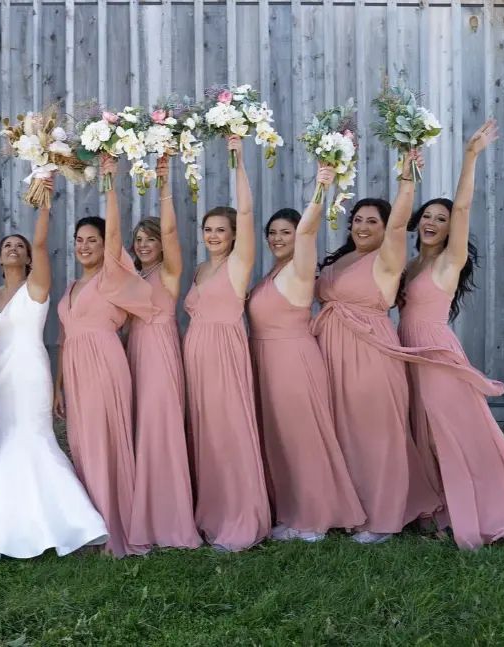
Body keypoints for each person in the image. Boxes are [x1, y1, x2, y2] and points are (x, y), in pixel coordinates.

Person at [0, 176, 108, 559]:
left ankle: (74, 526)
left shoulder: (38, 287)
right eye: (7, 247)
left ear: (29, 257)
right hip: (0, 380)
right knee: (1, 443)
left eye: (20, 246)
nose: (14, 249)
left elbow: (41, 242)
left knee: (35, 441)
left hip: (32, 375)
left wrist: (44, 202)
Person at [398, 119, 504, 549]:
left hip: (436, 354)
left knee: (452, 431)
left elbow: (463, 208)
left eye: (441, 218)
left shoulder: (448, 261)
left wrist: (469, 156)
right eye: (428, 217)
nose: (434, 222)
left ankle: (484, 508)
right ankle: (441, 506)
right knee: (425, 433)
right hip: (409, 353)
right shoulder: (411, 265)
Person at [312, 148, 439, 544]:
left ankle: (384, 518)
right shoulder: (340, 260)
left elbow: (402, 221)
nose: (362, 226)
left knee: (376, 433)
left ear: (386, 228)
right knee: (344, 433)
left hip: (370, 353)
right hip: (331, 352)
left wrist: (407, 178)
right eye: (357, 220)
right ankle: (352, 507)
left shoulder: (387, 259)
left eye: (372, 221)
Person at [246, 164, 365, 542]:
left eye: (286, 232)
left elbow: (310, 229)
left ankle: (314, 518)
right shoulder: (272, 272)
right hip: (268, 361)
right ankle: (295, 510)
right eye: (273, 233)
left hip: (293, 360)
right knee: (282, 440)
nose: (278, 238)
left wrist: (320, 188)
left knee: (303, 438)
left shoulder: (300, 268)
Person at [53, 155, 155, 557]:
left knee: (105, 442)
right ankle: (90, 525)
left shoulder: (112, 275)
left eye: (91, 240)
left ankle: (118, 527)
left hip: (105, 362)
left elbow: (115, 235)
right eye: (79, 241)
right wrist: (59, 387)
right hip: (75, 368)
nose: (84, 246)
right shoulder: (71, 286)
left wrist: (110, 180)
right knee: (81, 442)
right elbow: (63, 338)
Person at [183, 135, 270, 551]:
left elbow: (249, 211)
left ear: (235, 235)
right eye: (208, 229)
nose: (214, 235)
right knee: (205, 434)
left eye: (222, 230)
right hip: (195, 357)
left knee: (229, 431)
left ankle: (242, 517)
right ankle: (211, 514)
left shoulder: (239, 264)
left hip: (224, 355)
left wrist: (237, 158)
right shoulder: (200, 269)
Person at [125, 156, 201, 549]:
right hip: (135, 351)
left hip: (160, 349)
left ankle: (171, 520)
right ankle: (145, 512)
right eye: (138, 240)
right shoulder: (135, 276)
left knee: (161, 427)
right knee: (141, 428)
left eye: (149, 238)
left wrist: (164, 184)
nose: (143, 245)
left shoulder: (169, 274)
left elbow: (172, 233)